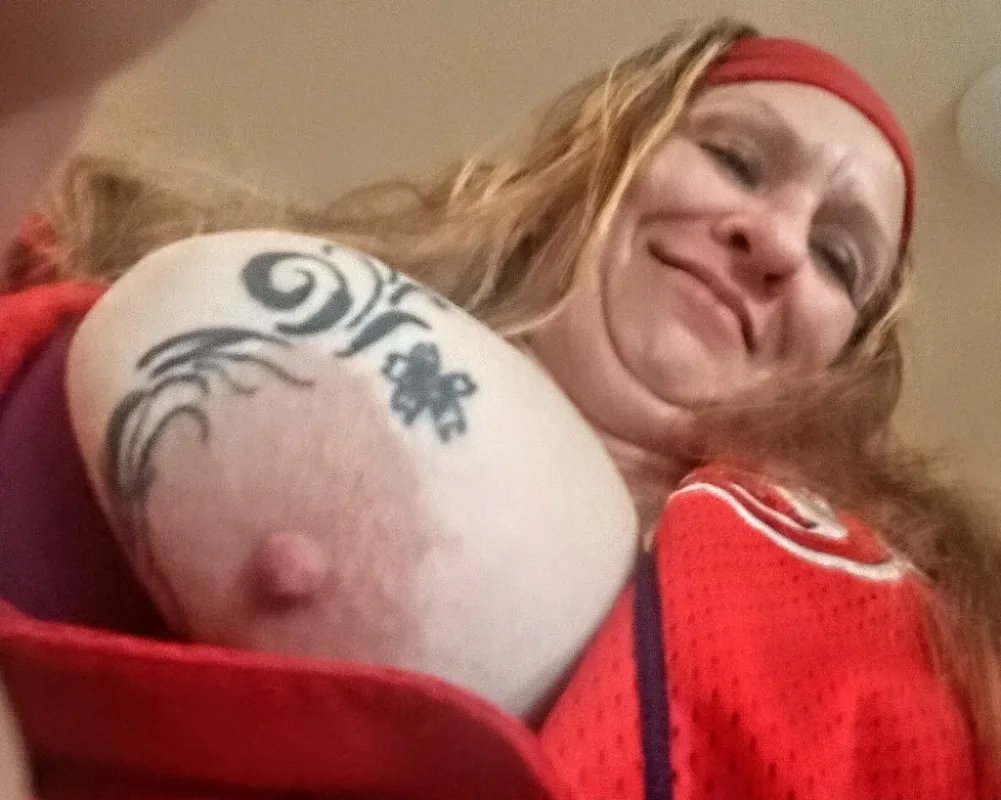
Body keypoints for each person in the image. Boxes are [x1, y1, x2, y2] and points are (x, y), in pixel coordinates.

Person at [4, 15, 1001, 800]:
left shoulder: (916, 648)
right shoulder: (99, 239)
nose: (776, 241)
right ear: (604, 154)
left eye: (837, 257)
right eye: (736, 160)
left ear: (842, 362)